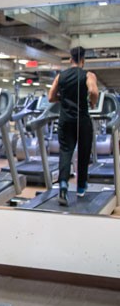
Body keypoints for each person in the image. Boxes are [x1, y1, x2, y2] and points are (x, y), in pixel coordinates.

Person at [48, 46, 99, 206]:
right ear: (83, 61)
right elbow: (94, 91)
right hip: (82, 121)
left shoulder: (60, 76)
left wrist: (62, 100)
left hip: (65, 120)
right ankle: (81, 187)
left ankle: (63, 186)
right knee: (84, 153)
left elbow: (50, 97)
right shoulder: (88, 75)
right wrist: (92, 102)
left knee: (65, 152)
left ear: (70, 60)